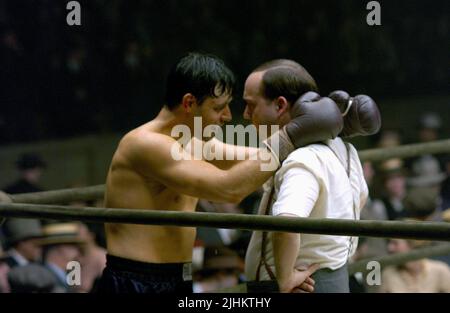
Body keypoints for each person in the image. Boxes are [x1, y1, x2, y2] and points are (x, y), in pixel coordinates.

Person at [97, 52, 344, 293]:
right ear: (189, 103)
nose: (227, 117)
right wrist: (291, 135)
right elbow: (228, 189)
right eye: (219, 108)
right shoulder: (146, 144)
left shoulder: (192, 140)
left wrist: (327, 134)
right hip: (135, 281)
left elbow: (252, 158)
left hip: (177, 276)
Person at [243, 59, 380, 293]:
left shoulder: (303, 159)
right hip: (333, 277)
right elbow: (360, 199)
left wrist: (285, 279)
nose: (246, 115)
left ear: (280, 105)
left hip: (300, 286)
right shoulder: (345, 150)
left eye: (251, 105)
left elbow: (286, 222)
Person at [379, 238, 450, 293]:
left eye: (395, 243)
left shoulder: (440, 270)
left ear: (412, 245)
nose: (390, 248)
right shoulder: (388, 273)